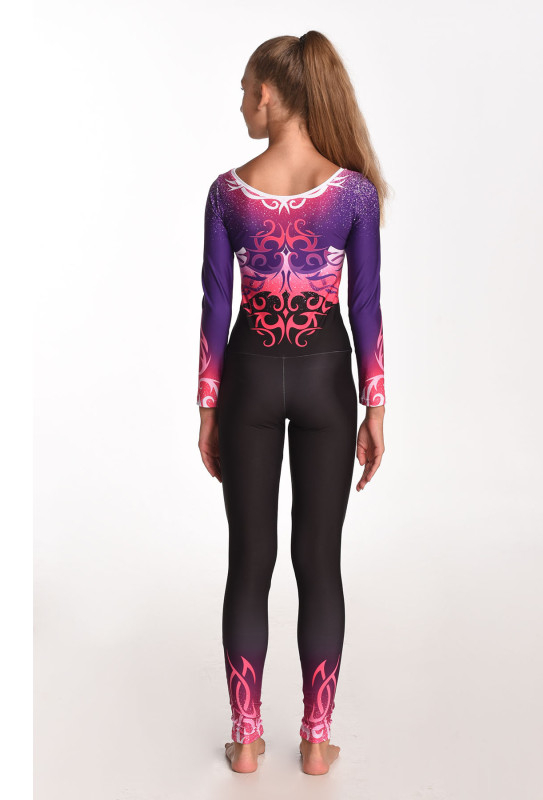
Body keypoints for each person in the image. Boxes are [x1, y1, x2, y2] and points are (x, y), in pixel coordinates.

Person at [196, 30, 387, 776]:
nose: (242, 104)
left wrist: (207, 408)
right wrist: (376, 406)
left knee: (249, 559)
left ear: (270, 95)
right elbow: (365, 307)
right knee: (319, 560)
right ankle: (315, 741)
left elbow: (215, 308)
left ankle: (246, 741)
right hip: (326, 381)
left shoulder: (227, 193)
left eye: (246, 92)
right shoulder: (354, 193)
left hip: (247, 376)